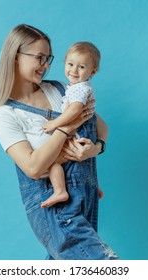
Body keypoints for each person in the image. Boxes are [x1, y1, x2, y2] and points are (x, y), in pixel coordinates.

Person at [0, 24, 118, 260]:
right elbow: (34, 167)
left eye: (49, 58)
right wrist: (66, 128)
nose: (46, 65)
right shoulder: (5, 115)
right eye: (39, 57)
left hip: (85, 197)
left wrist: (94, 150)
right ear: (16, 57)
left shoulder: (61, 90)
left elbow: (101, 127)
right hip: (55, 207)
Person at [41, 41, 103, 208]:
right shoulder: (77, 87)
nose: (74, 70)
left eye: (81, 67)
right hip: (83, 131)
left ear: (93, 71)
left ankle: (60, 191)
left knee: (54, 163)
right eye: (70, 64)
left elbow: (74, 111)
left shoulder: (79, 89)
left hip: (80, 132)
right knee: (78, 164)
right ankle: (92, 186)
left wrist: (55, 124)